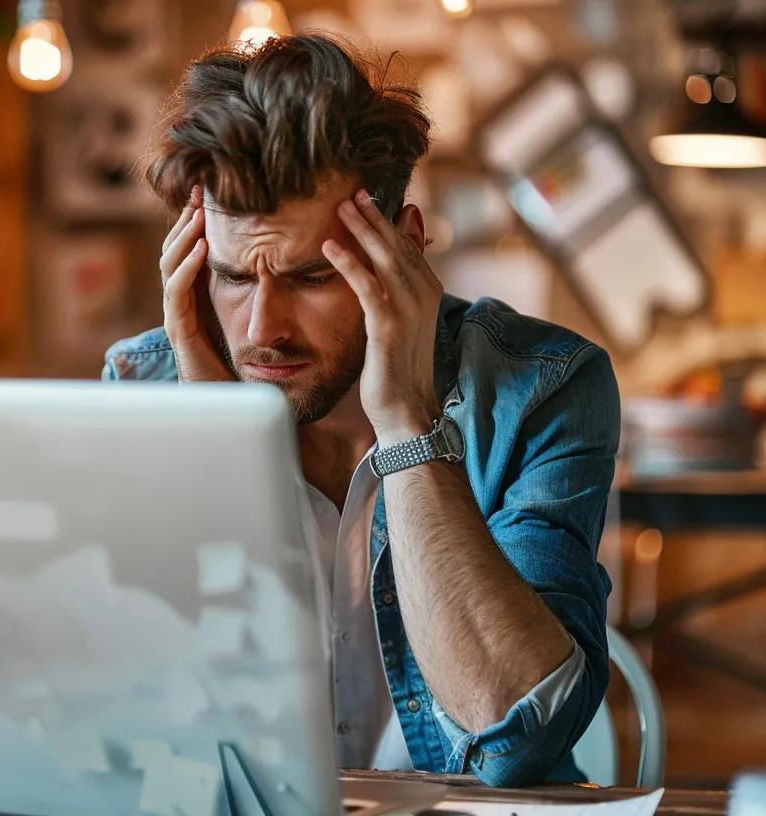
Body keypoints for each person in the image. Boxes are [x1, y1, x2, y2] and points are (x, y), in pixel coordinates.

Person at [102, 35, 619, 787]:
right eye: (231, 276)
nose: (261, 330)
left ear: (403, 249)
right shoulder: (143, 388)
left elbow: (517, 740)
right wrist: (212, 447)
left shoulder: (541, 387)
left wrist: (409, 426)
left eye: (312, 276)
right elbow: (132, 733)